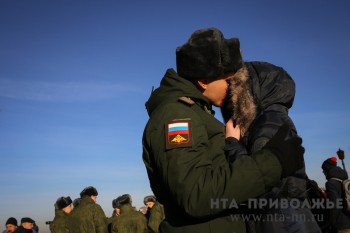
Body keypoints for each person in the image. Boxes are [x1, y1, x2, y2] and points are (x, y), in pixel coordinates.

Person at [142, 27, 305, 233]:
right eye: (229, 81)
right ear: (203, 81)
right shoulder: (176, 115)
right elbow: (195, 194)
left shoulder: (197, 112)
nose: (234, 88)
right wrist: (273, 161)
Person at [217, 28, 321, 232]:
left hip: (280, 223)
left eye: (237, 90)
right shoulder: (274, 119)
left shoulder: (268, 122)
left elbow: (260, 181)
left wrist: (232, 144)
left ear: (252, 92)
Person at [322, 157, 350, 233]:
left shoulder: (330, 183)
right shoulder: (344, 181)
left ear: (327, 169)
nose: (323, 172)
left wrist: (329, 224)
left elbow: (335, 205)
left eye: (323, 170)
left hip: (341, 226)